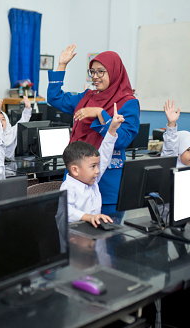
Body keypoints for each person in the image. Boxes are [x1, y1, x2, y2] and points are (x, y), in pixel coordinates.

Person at [48, 44, 140, 212]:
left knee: (108, 234)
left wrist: (100, 113)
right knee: (73, 229)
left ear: (113, 72)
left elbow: (123, 139)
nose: (95, 77)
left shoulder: (128, 102)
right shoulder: (87, 97)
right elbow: (55, 98)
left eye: (101, 72)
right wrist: (62, 65)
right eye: (92, 72)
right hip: (76, 177)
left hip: (107, 181)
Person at [60, 103, 124, 227]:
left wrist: (112, 130)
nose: (98, 171)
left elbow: (105, 153)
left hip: (92, 232)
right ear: (75, 170)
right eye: (93, 166)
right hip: (75, 236)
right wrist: (88, 217)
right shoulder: (68, 187)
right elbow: (66, 211)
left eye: (97, 166)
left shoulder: (91, 180)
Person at [0, 91, 32, 159]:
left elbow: (23, 121)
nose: (1, 122)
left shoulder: (12, 131)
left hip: (11, 165)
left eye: (3, 119)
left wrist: (27, 108)